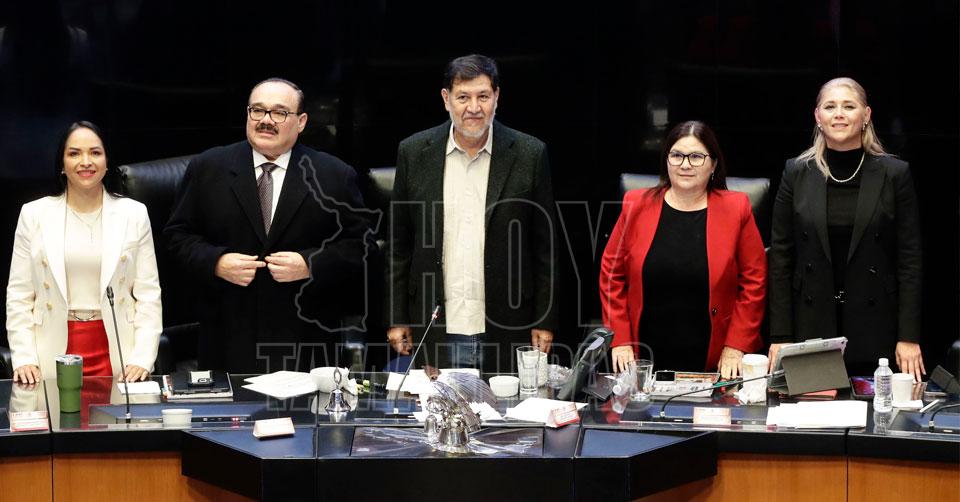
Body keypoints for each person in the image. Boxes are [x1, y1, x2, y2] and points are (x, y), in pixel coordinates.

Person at [165, 78, 372, 373]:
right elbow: (177, 237)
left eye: (279, 113)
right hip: (228, 335)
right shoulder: (208, 168)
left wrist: (310, 264)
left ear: (301, 122)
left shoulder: (334, 175)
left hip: (304, 339)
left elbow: (361, 246)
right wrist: (216, 262)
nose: (266, 120)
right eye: (258, 110)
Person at [386, 54, 559, 373]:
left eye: (483, 96)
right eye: (463, 97)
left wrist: (544, 319)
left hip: (509, 323)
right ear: (446, 99)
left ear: (497, 97)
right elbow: (399, 246)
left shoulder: (529, 154)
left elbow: (545, 248)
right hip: (436, 325)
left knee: (505, 405)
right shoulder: (414, 152)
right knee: (438, 404)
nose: (474, 107)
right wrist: (397, 317)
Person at [768, 77, 923, 380]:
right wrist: (780, 335)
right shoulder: (796, 172)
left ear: (866, 115)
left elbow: (910, 261)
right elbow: (781, 260)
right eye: (830, 107)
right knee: (812, 407)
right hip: (810, 324)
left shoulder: (895, 174)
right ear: (818, 117)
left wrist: (909, 336)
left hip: (876, 325)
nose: (839, 114)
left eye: (849, 106)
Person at [600, 121, 766, 378]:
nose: (685, 164)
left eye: (696, 157)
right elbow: (611, 274)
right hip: (643, 355)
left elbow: (754, 281)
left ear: (713, 164)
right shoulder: (636, 203)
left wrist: (736, 345)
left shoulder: (736, 208)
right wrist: (620, 338)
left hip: (714, 357)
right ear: (666, 160)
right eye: (676, 155)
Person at [6, 121, 161, 384]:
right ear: (62, 163)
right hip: (51, 351)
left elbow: (148, 294)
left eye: (95, 153)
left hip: (119, 352)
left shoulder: (133, 214)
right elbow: (19, 295)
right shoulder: (34, 214)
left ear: (107, 162)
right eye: (74, 153)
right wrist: (24, 358)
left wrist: (142, 357)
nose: (86, 162)